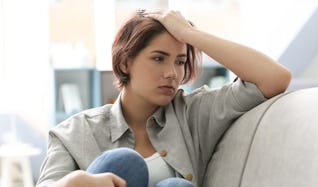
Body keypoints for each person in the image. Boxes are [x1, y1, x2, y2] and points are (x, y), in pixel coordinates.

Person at [37, 9, 291, 187]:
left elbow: (275, 78)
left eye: (180, 61)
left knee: (176, 186)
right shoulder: (74, 133)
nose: (172, 73)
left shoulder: (193, 114)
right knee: (124, 163)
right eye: (158, 58)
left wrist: (191, 35)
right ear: (125, 63)